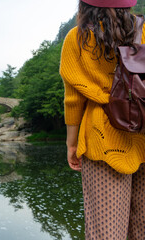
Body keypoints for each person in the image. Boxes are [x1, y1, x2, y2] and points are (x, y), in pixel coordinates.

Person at [60, 0, 145, 239]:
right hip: (143, 131)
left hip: (103, 139)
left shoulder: (77, 38)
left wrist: (72, 143)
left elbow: (73, 99)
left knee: (106, 232)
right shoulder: (144, 30)